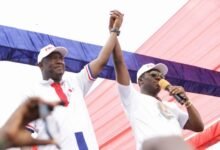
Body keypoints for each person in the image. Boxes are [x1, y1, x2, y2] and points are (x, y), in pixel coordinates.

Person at [22, 10, 124, 150]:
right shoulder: (33, 96)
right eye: (52, 58)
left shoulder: (76, 82)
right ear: (40, 65)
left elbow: (101, 61)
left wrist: (114, 30)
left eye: (61, 58)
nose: (59, 61)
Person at [111, 24, 204, 149]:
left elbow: (198, 126)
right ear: (141, 81)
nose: (159, 78)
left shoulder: (171, 106)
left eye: (162, 76)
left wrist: (187, 101)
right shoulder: (133, 99)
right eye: (154, 74)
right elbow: (119, 62)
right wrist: (114, 31)